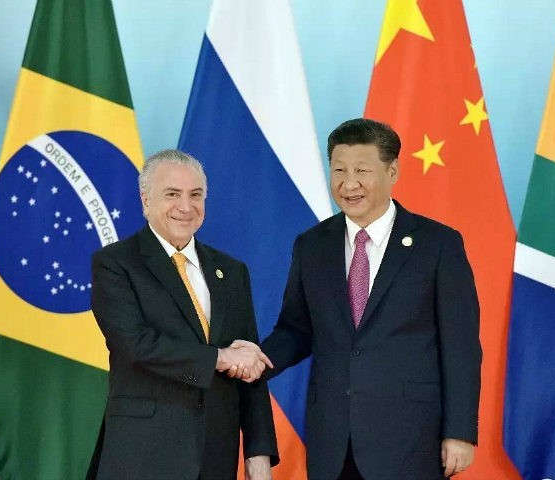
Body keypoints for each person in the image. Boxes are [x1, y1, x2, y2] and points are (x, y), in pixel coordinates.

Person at [257, 118, 481, 479]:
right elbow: (296, 330)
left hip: (411, 439)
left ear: (392, 171)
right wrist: (257, 361)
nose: (349, 184)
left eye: (362, 170)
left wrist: (459, 431)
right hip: (333, 439)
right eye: (339, 170)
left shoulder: (438, 244)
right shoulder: (312, 245)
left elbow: (461, 347)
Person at [88, 149, 278, 480]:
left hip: (215, 457)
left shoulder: (231, 272)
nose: (186, 207)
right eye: (172, 194)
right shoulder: (116, 264)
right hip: (142, 456)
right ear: (146, 200)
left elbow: (250, 363)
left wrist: (258, 454)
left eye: (196, 195)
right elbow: (136, 345)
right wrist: (220, 357)